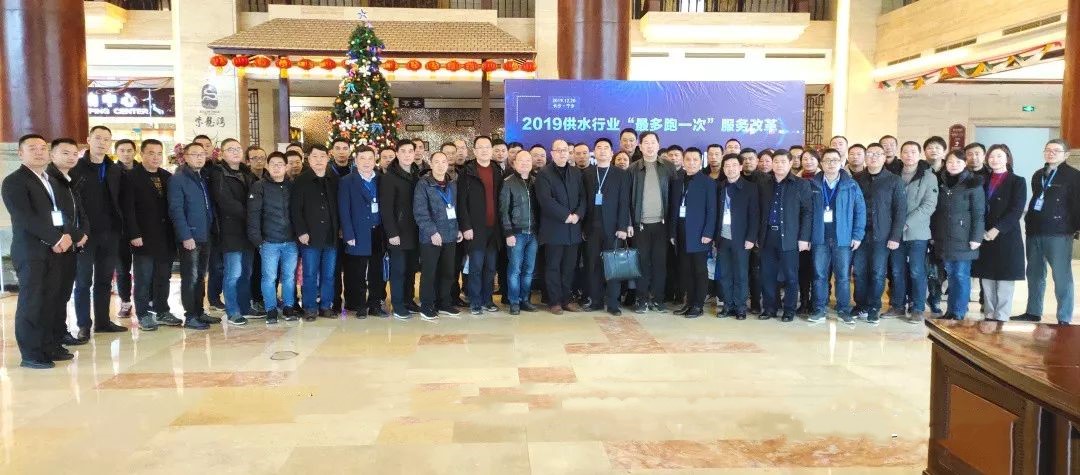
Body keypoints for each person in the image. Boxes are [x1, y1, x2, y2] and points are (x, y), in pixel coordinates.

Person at [2, 135, 88, 368]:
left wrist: (68, 235)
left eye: (42, 148)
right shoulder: (15, 181)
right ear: (20, 153)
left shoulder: (48, 180)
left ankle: (48, 345)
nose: (39, 152)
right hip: (31, 251)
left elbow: (58, 214)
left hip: (54, 250)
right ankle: (31, 353)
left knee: (51, 300)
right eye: (32, 148)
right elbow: (25, 217)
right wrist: (56, 238)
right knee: (32, 302)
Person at [1014, 138, 1080, 324]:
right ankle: (1033, 311)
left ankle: (1064, 317)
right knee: (1034, 274)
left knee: (1061, 276)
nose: (1051, 153)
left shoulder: (1074, 176)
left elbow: (1077, 204)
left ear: (1066, 155)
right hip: (1035, 230)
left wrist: (1076, 228)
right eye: (1048, 150)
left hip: (1059, 232)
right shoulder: (1038, 174)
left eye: (1056, 150)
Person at [70, 125, 127, 338]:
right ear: (88, 140)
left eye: (106, 139)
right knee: (83, 281)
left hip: (110, 233)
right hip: (84, 235)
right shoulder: (76, 168)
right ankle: (84, 324)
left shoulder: (114, 169)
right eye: (98, 138)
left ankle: (103, 322)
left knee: (104, 279)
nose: (102, 143)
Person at [122, 139, 179, 331]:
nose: (156, 157)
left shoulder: (167, 176)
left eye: (159, 153)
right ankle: (143, 313)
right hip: (143, 236)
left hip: (165, 236)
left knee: (163, 276)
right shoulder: (131, 177)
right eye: (151, 153)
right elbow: (128, 209)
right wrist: (134, 233)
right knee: (143, 277)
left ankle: (162, 310)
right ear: (142, 154)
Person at [807, 149, 865, 325]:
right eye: (827, 160)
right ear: (821, 164)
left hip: (843, 239)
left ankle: (843, 310)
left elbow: (860, 211)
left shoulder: (851, 185)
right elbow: (806, 213)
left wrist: (857, 235)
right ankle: (819, 309)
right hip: (820, 238)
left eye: (835, 160)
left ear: (841, 163)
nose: (831, 164)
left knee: (843, 276)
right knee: (819, 275)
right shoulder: (812, 185)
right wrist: (807, 237)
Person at [970, 145, 1025, 322]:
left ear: (1007, 159)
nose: (995, 160)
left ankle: (1001, 316)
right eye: (992, 156)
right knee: (986, 276)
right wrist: (980, 230)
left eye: (999, 156)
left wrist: (997, 229)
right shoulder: (981, 180)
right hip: (983, 233)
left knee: (1004, 277)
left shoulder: (1017, 181)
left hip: (1006, 234)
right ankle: (989, 314)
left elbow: (1016, 210)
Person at [853, 143, 906, 324]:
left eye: (878, 154)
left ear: (884, 158)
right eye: (870, 154)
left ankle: (874, 307)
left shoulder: (894, 180)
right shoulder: (857, 179)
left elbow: (900, 210)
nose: (873, 157)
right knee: (859, 272)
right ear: (865, 158)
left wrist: (895, 236)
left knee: (877, 272)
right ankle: (860, 305)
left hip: (882, 235)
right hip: (860, 235)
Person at [757, 150, 811, 322]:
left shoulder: (801, 184)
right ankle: (769, 308)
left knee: (790, 276)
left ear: (790, 163)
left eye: (783, 162)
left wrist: (804, 238)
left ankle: (789, 310)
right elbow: (758, 211)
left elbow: (807, 213)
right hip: (767, 235)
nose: (779, 165)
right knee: (767, 275)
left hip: (789, 237)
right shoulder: (764, 184)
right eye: (776, 162)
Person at [168, 142, 217, 330]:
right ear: (185, 157)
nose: (199, 157)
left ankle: (199, 311)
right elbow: (176, 209)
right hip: (190, 236)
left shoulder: (202, 177)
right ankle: (190, 316)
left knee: (201, 276)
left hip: (205, 234)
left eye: (202, 154)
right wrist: (185, 235)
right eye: (194, 154)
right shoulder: (178, 179)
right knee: (190, 277)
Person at [210, 138, 259, 326]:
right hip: (230, 230)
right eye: (230, 149)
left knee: (246, 272)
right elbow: (225, 202)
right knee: (233, 273)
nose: (236, 152)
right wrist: (251, 214)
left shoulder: (247, 173)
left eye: (238, 148)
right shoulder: (218, 173)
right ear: (222, 154)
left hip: (248, 231)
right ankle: (232, 311)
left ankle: (245, 307)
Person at [931, 150, 985, 320]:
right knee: (951, 275)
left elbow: (979, 213)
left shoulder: (973, 183)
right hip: (944, 236)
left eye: (958, 162)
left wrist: (976, 237)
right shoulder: (940, 181)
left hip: (964, 237)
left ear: (965, 164)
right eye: (950, 162)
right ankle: (951, 311)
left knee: (961, 275)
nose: (953, 165)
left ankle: (959, 312)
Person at [535, 138, 586, 314]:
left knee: (569, 267)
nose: (562, 153)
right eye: (558, 150)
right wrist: (566, 216)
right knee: (553, 267)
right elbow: (545, 200)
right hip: (554, 229)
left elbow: (583, 197)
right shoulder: (544, 173)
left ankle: (566, 299)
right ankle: (554, 301)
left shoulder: (576, 172)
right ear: (552, 153)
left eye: (565, 150)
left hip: (573, 229)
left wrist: (578, 215)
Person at [46, 138, 89, 349]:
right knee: (55, 293)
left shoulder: (68, 179)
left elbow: (79, 210)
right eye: (65, 153)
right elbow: (56, 214)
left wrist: (84, 232)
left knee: (63, 292)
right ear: (52, 155)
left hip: (72, 243)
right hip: (58, 244)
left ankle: (61, 332)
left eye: (74, 153)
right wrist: (76, 234)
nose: (71, 157)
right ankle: (54, 337)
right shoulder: (50, 180)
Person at [582, 138, 631, 316]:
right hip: (591, 228)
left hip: (613, 228)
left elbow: (624, 202)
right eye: (599, 148)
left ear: (611, 153)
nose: (602, 150)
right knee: (593, 265)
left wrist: (623, 226)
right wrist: (582, 227)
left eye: (606, 148)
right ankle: (596, 301)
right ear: (594, 152)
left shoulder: (621, 174)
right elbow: (582, 201)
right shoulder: (587, 173)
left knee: (613, 267)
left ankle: (613, 303)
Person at [338, 146, 388, 319]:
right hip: (358, 232)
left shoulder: (381, 179)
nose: (366, 162)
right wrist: (348, 233)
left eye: (370, 158)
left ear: (375, 160)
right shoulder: (347, 181)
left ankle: (375, 305)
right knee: (358, 271)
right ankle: (359, 305)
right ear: (356, 160)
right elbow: (344, 209)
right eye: (362, 158)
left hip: (378, 231)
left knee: (376, 271)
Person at [247, 152, 298, 324]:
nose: (276, 167)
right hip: (269, 241)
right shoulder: (259, 186)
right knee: (269, 277)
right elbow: (253, 215)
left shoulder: (292, 186)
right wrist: (258, 241)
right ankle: (271, 309)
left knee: (289, 277)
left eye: (280, 164)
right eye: (273, 164)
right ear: (267, 166)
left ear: (286, 167)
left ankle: (289, 307)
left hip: (290, 241)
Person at [292, 144, 340, 320]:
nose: (319, 160)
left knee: (329, 274)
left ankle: (326, 306)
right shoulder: (301, 180)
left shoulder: (334, 179)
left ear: (328, 158)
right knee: (310, 274)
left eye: (322, 156)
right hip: (310, 236)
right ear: (308, 159)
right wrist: (301, 231)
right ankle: (310, 307)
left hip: (331, 235)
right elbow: (295, 209)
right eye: (315, 156)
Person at [455, 136, 503, 315]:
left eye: (487, 147)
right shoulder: (467, 172)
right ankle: (475, 301)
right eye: (480, 147)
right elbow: (461, 202)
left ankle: (487, 300)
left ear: (491, 150)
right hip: (475, 229)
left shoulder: (497, 171)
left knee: (490, 268)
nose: (484, 150)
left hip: (494, 229)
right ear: (474, 151)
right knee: (475, 267)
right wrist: (466, 226)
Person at [414, 152, 464, 321]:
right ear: (431, 164)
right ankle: (427, 305)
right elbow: (420, 212)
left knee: (448, 272)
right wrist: (432, 232)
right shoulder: (423, 184)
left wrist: (458, 229)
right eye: (437, 162)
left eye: (444, 161)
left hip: (450, 235)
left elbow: (455, 209)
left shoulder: (452, 184)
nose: (441, 165)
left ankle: (444, 303)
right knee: (429, 273)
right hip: (431, 237)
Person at [893, 141, 939, 324]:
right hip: (895, 233)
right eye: (905, 152)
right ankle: (897, 306)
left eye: (913, 152)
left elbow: (929, 205)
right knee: (897, 271)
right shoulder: (894, 175)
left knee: (916, 270)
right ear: (901, 154)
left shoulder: (929, 177)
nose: (909, 155)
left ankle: (918, 308)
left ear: (919, 154)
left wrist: (906, 223)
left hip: (917, 233)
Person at [668, 147, 716, 318]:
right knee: (685, 270)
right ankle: (688, 303)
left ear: (701, 161)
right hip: (681, 233)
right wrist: (672, 232)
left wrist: (708, 233)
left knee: (699, 270)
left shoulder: (708, 182)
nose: (691, 163)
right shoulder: (677, 181)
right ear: (683, 161)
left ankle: (698, 305)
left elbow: (712, 210)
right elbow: (673, 208)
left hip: (699, 234)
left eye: (695, 159)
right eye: (688, 159)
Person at [628, 131, 673, 313]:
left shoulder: (668, 167)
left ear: (658, 145)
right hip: (640, 225)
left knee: (660, 264)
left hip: (662, 225)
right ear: (640, 146)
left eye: (653, 142)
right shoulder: (633, 169)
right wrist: (629, 222)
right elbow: (626, 199)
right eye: (645, 142)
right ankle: (642, 299)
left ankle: (659, 299)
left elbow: (674, 197)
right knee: (642, 263)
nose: (649, 146)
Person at [382, 140, 422, 319]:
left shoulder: (416, 175)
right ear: (397, 154)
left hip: (415, 230)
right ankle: (398, 305)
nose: (407, 154)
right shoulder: (389, 177)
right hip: (398, 232)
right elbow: (386, 208)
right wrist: (392, 233)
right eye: (403, 151)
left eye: (410, 151)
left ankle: (408, 300)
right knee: (398, 270)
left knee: (411, 269)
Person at [716, 154, 759, 320]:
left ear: (741, 167)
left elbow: (754, 215)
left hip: (741, 238)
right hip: (722, 238)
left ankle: (740, 307)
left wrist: (751, 238)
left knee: (741, 274)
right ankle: (728, 305)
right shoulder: (720, 187)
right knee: (725, 273)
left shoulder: (750, 188)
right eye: (727, 165)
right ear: (723, 168)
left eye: (734, 165)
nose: (730, 168)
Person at [500, 150, 540, 315]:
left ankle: (525, 300)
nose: (525, 163)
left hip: (534, 233)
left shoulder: (536, 182)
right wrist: (508, 233)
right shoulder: (508, 182)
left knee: (529, 270)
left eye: (528, 160)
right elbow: (503, 211)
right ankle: (514, 301)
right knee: (515, 269)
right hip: (516, 233)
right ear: (514, 163)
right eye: (521, 160)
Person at [923, 136, 949, 314]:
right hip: (923, 221)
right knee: (922, 265)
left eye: (937, 148)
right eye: (930, 148)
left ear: (944, 151)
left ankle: (935, 298)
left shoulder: (950, 170)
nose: (934, 151)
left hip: (943, 223)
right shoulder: (920, 169)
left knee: (939, 265)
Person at [113, 138, 137, 319]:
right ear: (116, 153)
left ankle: (148, 300)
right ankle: (125, 302)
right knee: (122, 268)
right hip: (119, 228)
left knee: (145, 267)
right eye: (122, 150)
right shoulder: (111, 172)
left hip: (142, 226)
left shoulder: (142, 170)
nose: (126, 154)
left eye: (129, 150)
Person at [795, 149, 820, 314]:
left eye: (812, 158)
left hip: (819, 229)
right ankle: (804, 300)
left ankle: (817, 301)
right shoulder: (796, 180)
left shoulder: (824, 179)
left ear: (818, 161)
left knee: (818, 269)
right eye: (805, 158)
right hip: (801, 230)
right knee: (803, 268)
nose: (808, 161)